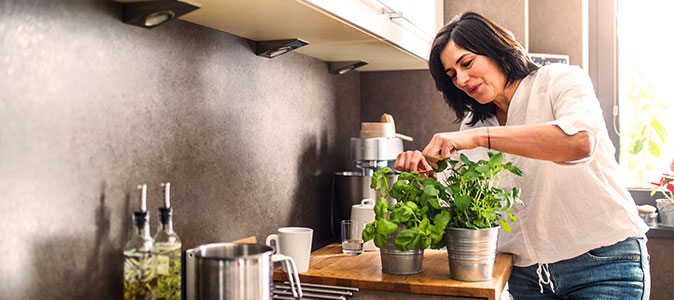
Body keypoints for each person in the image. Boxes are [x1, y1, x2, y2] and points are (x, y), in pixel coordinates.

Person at [394, 12, 650, 299]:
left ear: (495, 49)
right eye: (452, 75)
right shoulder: (473, 125)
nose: (462, 79)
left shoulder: (559, 80)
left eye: (467, 63)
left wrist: (480, 139)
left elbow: (579, 143)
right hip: (527, 278)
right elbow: (454, 199)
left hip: (602, 263)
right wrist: (420, 174)